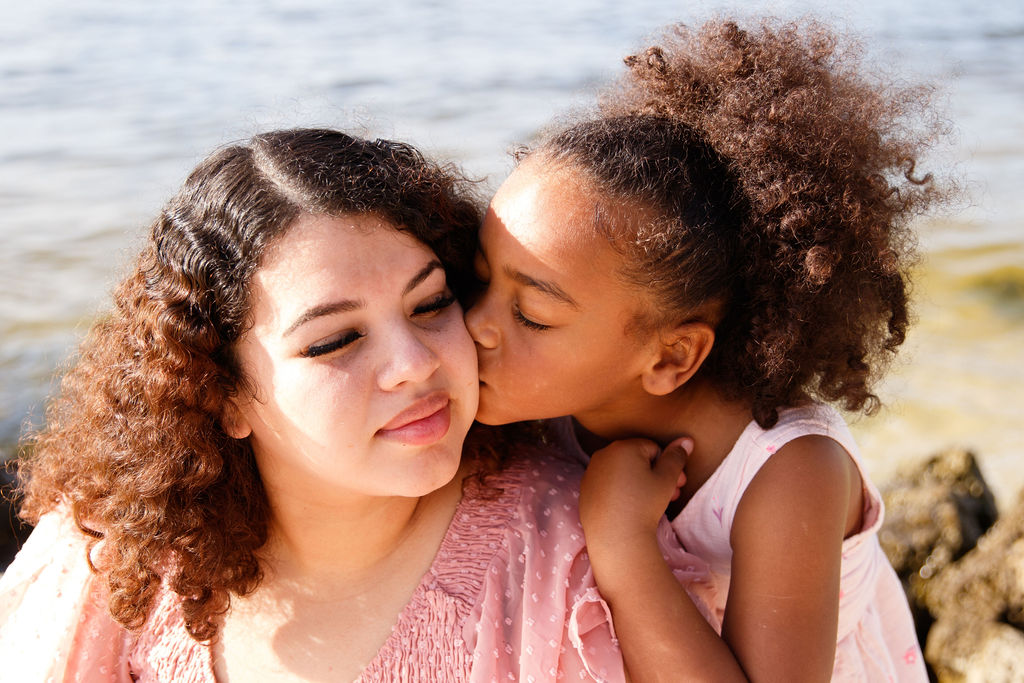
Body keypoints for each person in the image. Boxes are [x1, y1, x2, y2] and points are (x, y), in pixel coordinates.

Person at [0, 128, 710, 682]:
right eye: (337, 340)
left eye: (432, 303)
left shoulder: (569, 556)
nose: (416, 362)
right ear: (220, 394)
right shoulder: (118, 552)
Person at [465, 18, 945, 682]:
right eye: (480, 280)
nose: (475, 325)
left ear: (669, 358)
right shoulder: (548, 401)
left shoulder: (789, 474)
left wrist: (623, 545)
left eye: (532, 313)